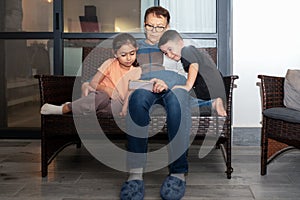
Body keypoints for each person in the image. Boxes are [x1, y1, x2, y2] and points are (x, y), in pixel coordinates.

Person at [120, 6, 191, 200]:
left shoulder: (175, 45)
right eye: (150, 25)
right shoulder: (134, 48)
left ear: (167, 26)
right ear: (144, 25)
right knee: (137, 99)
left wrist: (166, 82)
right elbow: (124, 77)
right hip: (144, 86)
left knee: (178, 102)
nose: (154, 30)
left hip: (174, 85)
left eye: (159, 27)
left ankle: (177, 172)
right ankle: (135, 173)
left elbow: (187, 75)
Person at [40, 33, 141, 117]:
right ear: (115, 54)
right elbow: (93, 83)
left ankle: (81, 108)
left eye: (132, 54)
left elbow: (130, 93)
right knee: (101, 97)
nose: (128, 58)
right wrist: (108, 90)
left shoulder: (137, 71)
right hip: (101, 96)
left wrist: (124, 109)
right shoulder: (110, 63)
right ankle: (65, 108)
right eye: (123, 55)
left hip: (118, 103)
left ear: (136, 50)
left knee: (111, 110)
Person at [158, 29, 227, 116]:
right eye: (165, 53)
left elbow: (194, 65)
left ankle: (212, 104)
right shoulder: (191, 54)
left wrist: (187, 86)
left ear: (180, 43)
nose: (170, 55)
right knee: (176, 100)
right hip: (215, 90)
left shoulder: (187, 50)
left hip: (209, 90)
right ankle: (212, 104)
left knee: (176, 102)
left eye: (170, 49)